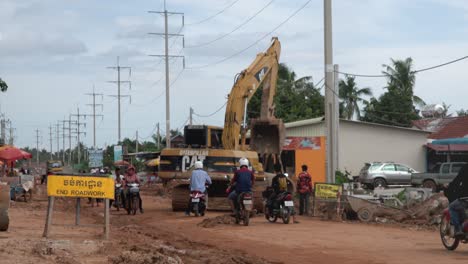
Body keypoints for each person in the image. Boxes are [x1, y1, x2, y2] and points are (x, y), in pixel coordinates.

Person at [444, 163, 468, 238]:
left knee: (452, 207)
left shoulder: (466, 167)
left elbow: (457, 180)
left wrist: (449, 186)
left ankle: (458, 230)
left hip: (465, 198)